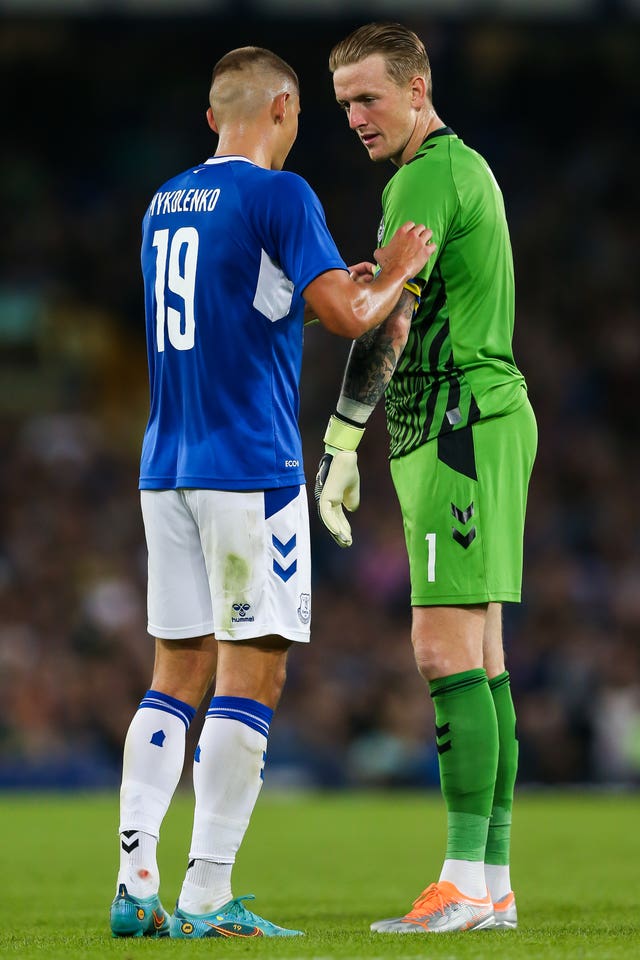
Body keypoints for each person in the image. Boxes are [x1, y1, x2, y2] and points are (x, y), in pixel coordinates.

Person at [108, 45, 435, 941]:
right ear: (285, 108)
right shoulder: (281, 196)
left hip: (164, 468)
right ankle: (207, 894)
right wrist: (398, 269)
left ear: (215, 116)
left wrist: (335, 287)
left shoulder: (164, 202)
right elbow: (346, 317)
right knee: (255, 674)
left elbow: (251, 302)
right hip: (249, 467)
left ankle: (136, 883)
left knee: (174, 673)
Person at [315, 22, 537, 934]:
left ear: (418, 88)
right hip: (474, 419)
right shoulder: (457, 170)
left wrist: (339, 439)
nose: (357, 118)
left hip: (454, 421)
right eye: (344, 105)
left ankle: (461, 883)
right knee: (481, 660)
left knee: (443, 651)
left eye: (369, 98)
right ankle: (490, 881)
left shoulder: (425, 174)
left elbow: (390, 324)